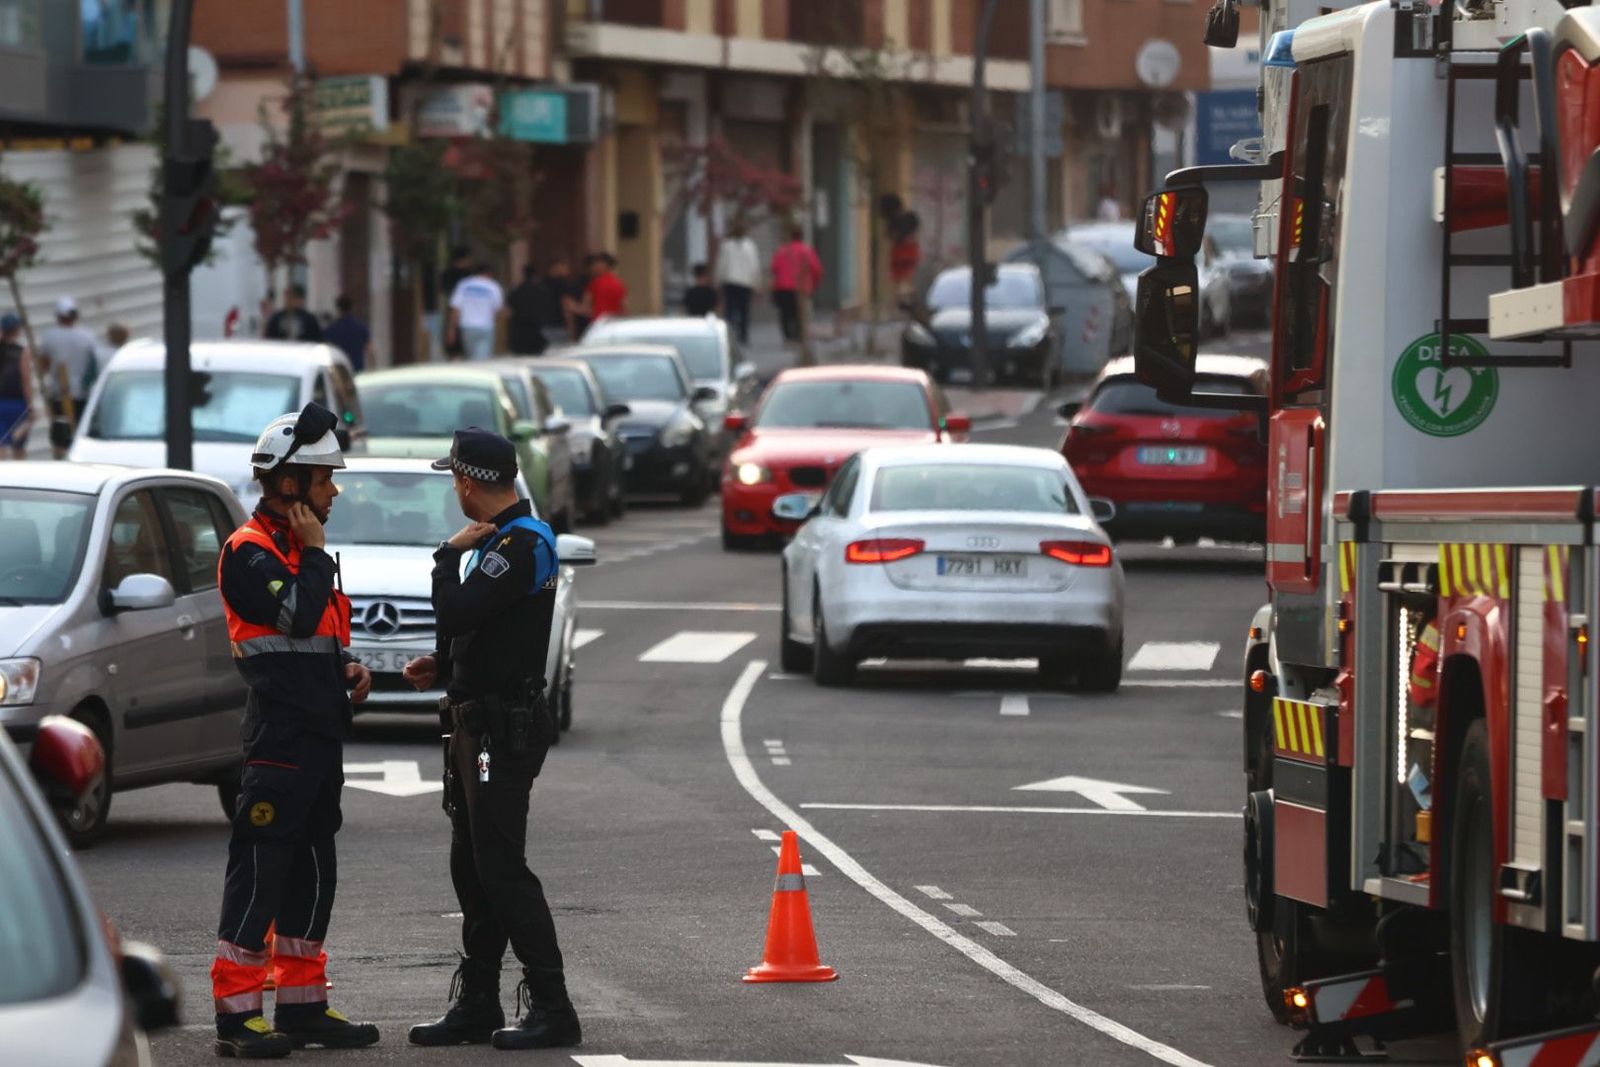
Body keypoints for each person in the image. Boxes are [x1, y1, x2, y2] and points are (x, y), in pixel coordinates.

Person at [209, 401, 379, 1058]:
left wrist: (349, 667)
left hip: (317, 741)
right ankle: (237, 1015)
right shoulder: (248, 554)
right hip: (277, 745)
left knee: (312, 875)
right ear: (289, 484)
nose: (333, 490)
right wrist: (313, 556)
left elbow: (316, 642)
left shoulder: (296, 551)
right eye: (323, 478)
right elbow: (298, 618)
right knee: (260, 877)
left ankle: (304, 1007)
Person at [403, 429, 580, 1051]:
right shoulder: (501, 541)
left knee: (500, 867)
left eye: (453, 478)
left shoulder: (522, 543)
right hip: (474, 717)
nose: (453, 488)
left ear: (468, 481)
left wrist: (444, 556)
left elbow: (457, 609)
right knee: (471, 865)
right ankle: (478, 1001)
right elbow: (487, 626)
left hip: (502, 730)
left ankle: (553, 1004)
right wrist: (445, 666)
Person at [38, 296, 99, 457]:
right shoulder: (88, 336)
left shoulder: (49, 336)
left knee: (60, 434)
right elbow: (94, 364)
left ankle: (61, 458)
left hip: (58, 392)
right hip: (82, 393)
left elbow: (43, 366)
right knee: (79, 431)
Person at [769, 226, 823, 343]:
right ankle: (798, 336)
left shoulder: (781, 250)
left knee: (785, 313)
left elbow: (774, 268)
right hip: (800, 288)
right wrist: (814, 284)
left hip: (782, 287)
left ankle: (788, 336)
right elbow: (817, 269)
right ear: (802, 236)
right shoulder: (806, 250)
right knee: (799, 313)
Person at [448, 263, 504, 362]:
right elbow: (498, 310)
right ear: (489, 274)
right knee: (483, 360)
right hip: (486, 327)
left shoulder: (463, 285)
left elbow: (455, 308)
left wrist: (451, 329)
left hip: (467, 327)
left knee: (470, 357)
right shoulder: (493, 287)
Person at [715, 222, 760, 343]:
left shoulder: (727, 246)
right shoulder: (749, 246)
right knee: (743, 311)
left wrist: (718, 280)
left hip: (731, 282)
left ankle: (730, 334)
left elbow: (721, 265)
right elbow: (754, 267)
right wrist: (756, 284)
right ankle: (743, 335)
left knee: (730, 310)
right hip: (744, 283)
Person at [0, 314, 32, 460]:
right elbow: (26, 380)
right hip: (17, 403)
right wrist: (30, 405)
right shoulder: (22, 352)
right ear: (17, 330)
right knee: (19, 447)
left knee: (1, 444)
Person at [507, 264, 551, 356]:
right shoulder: (540, 291)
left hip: (519, 331)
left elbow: (510, 306)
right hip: (536, 331)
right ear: (535, 275)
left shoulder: (517, 291)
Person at [439, 247, 474, 359]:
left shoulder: (447, 273)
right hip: (467, 311)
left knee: (453, 339)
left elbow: (443, 289)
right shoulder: (469, 275)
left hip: (451, 308)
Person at [323, 295, 374, 372]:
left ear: (338, 308)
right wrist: (372, 370)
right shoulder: (360, 328)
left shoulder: (331, 330)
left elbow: (325, 352)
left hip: (339, 373)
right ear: (352, 308)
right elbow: (370, 351)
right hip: (357, 370)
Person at [582, 252, 627, 329]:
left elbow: (585, 309)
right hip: (615, 323)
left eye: (595, 265)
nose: (593, 267)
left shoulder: (594, 284)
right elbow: (624, 307)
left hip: (599, 324)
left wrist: (572, 306)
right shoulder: (619, 283)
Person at [543, 260, 583, 345]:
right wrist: (571, 329)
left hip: (544, 326)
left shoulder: (541, 284)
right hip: (560, 326)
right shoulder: (563, 285)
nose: (567, 270)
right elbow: (567, 307)